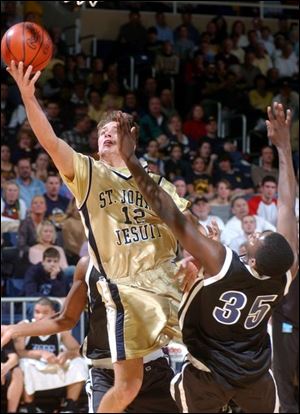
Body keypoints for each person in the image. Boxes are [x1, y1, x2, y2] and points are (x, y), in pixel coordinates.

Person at [7, 61, 190, 413]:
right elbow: (50, 141)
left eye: (115, 129)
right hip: (107, 367)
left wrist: (200, 238)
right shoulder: (90, 174)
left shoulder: (156, 186)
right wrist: (29, 97)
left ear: (132, 138)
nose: (105, 133)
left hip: (154, 357)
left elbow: (187, 229)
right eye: (101, 129)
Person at [116, 102, 298, 412]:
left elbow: (169, 212)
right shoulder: (285, 272)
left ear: (252, 260)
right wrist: (283, 148)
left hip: (208, 372)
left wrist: (131, 161)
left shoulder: (223, 261)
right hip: (253, 374)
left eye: (255, 237)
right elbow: (286, 204)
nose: (252, 234)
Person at [1, 256, 187, 413]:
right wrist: (15, 328)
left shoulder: (147, 257)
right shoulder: (86, 264)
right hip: (106, 372)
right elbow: (66, 318)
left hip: (151, 368)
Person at [13, 297, 88, 413]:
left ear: (53, 313)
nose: (40, 316)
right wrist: (40, 353)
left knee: (79, 362)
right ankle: (29, 406)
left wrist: (67, 355)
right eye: (37, 312)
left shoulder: (60, 329)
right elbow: (20, 352)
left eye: (45, 312)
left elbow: (77, 350)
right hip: (34, 365)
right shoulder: (25, 326)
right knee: (24, 364)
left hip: (54, 365)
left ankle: (70, 406)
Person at [1, 327, 23, 413]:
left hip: (4, 370)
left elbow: (14, 358)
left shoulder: (3, 334)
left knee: (17, 372)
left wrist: (5, 367)